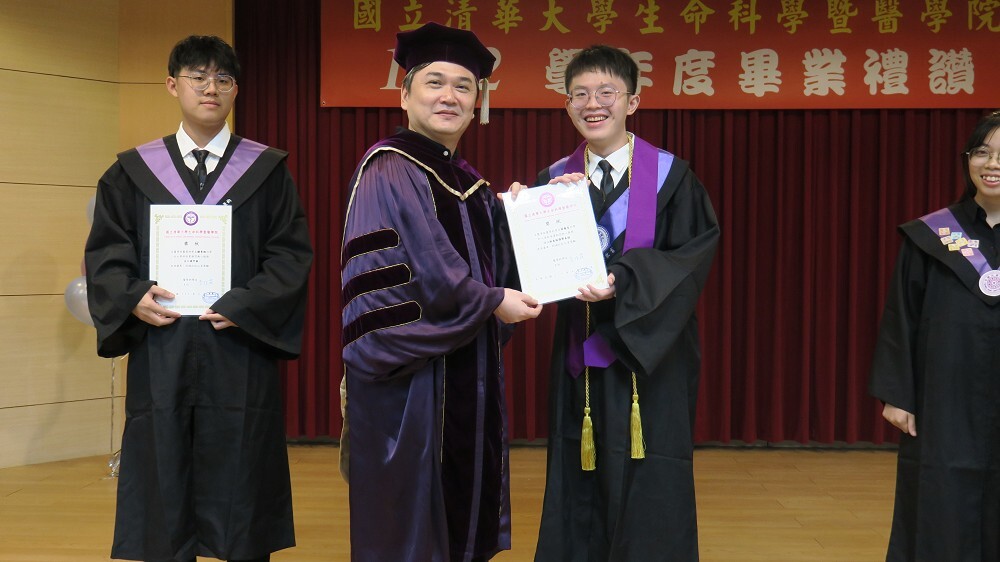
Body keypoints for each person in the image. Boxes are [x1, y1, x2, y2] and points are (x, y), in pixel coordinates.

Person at [85, 35, 313, 562]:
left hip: (237, 346)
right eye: (198, 77)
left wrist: (245, 305)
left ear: (236, 90)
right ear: (173, 85)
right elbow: (106, 253)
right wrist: (132, 296)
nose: (211, 88)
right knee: (161, 466)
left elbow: (289, 255)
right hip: (162, 344)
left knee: (241, 471)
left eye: (224, 79)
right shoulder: (131, 172)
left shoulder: (266, 172)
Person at [339, 22, 542, 562]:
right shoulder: (390, 167)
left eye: (463, 86)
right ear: (404, 95)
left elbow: (494, 265)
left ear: (477, 104)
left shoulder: (469, 183)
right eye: (434, 82)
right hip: (410, 384)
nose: (449, 96)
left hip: (464, 373)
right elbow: (431, 270)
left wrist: (536, 213)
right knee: (411, 530)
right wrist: (491, 301)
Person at [517, 45, 719, 560]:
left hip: (652, 360)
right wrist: (521, 214)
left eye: (607, 92)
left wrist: (624, 280)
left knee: (652, 479)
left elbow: (689, 259)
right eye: (580, 94)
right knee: (578, 476)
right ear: (567, 105)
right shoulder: (553, 183)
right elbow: (527, 270)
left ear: (633, 101)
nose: (593, 104)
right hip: (580, 357)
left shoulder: (672, 178)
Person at [869, 110, 1000, 561]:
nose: (992, 164)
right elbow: (901, 315)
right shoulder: (933, 236)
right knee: (940, 497)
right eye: (982, 152)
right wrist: (897, 394)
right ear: (967, 160)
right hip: (944, 397)